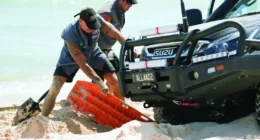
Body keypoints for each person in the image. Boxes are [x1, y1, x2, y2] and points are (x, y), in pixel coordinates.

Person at [41, 7, 127, 117]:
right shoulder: (70, 32)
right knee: (55, 86)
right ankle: (43, 117)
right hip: (70, 58)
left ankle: (124, 111)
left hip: (93, 52)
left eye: (94, 25)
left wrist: (127, 45)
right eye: (89, 26)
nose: (92, 28)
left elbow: (113, 31)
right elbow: (82, 63)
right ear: (80, 21)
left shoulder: (96, 19)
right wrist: (99, 82)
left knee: (114, 80)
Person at [95, 0, 138, 95]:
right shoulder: (107, 13)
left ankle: (109, 98)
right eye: (128, 3)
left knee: (118, 74)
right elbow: (93, 34)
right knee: (101, 80)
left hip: (107, 49)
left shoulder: (120, 10)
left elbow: (116, 32)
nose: (129, 7)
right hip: (97, 51)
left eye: (131, 4)